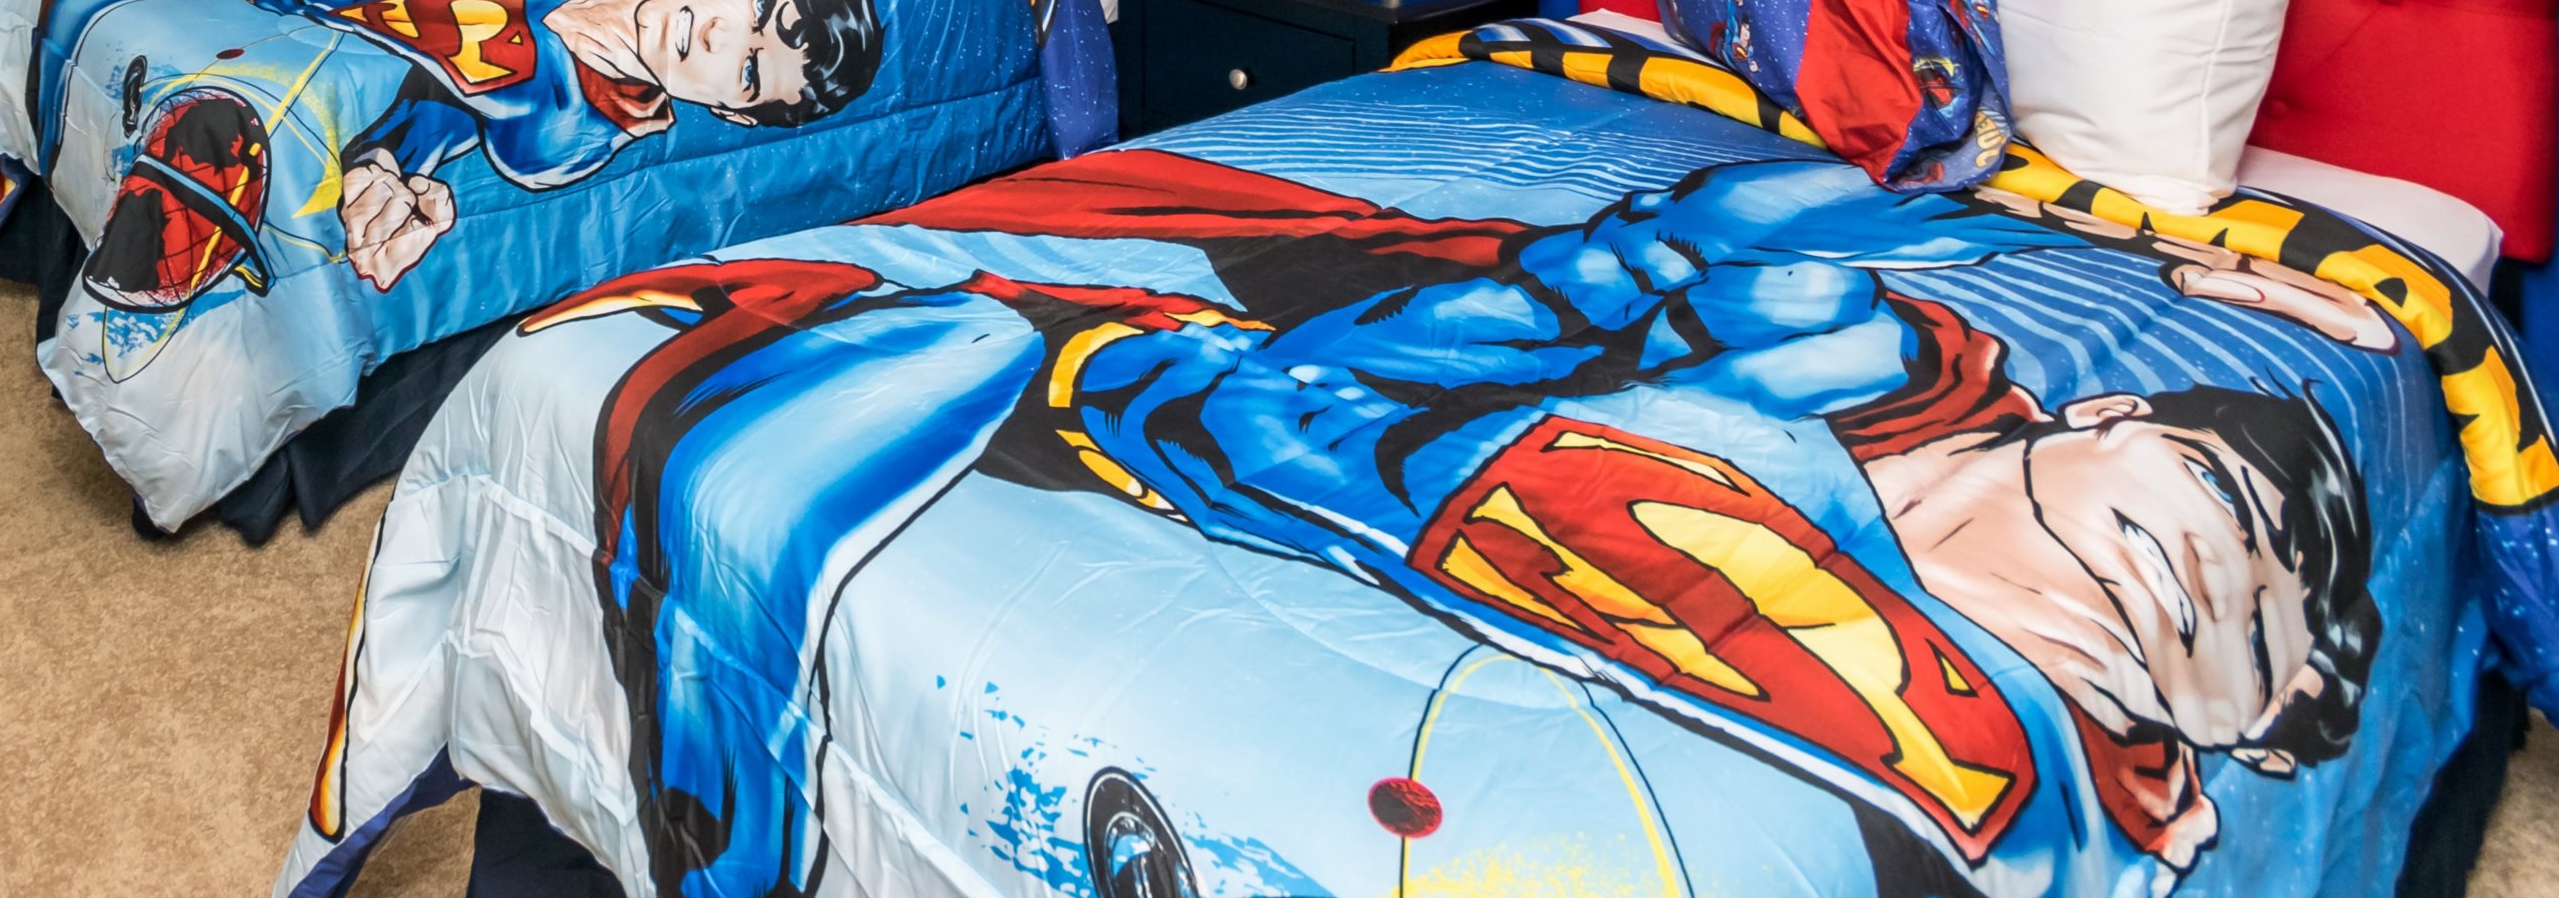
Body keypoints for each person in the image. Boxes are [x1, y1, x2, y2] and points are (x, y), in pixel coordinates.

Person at [531, 147, 2382, 898]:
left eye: (2258, 647)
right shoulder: (1860, 342)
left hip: (1248, 465)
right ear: (2113, 411)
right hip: (1185, 403)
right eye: (2239, 505)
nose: (2234, 581)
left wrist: (2182, 227)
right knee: (764, 387)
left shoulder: (2037, 790)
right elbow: (1746, 210)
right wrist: (2137, 244)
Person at [35, 0, 1016, 318]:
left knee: (246, 117)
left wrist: (387, 172)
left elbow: (446, 106)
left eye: (749, 75)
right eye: (756, 15)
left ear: (734, 116)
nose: (722, 41)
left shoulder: (567, 133)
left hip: (300, 19)